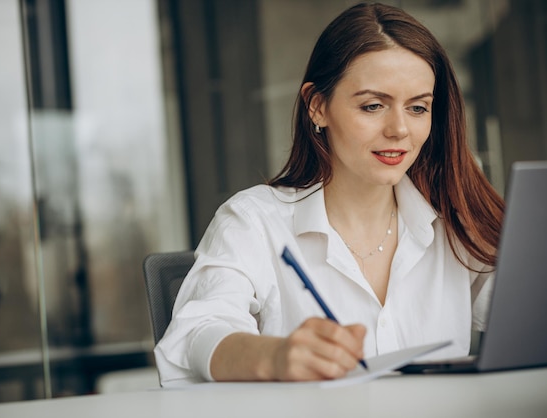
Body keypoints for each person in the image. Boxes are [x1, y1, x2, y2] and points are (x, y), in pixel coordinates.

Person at [154, 2, 504, 387]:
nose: (399, 129)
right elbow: (197, 331)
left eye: (418, 108)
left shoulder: (455, 218)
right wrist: (275, 357)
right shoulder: (255, 221)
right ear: (317, 106)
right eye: (373, 106)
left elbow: (533, 317)